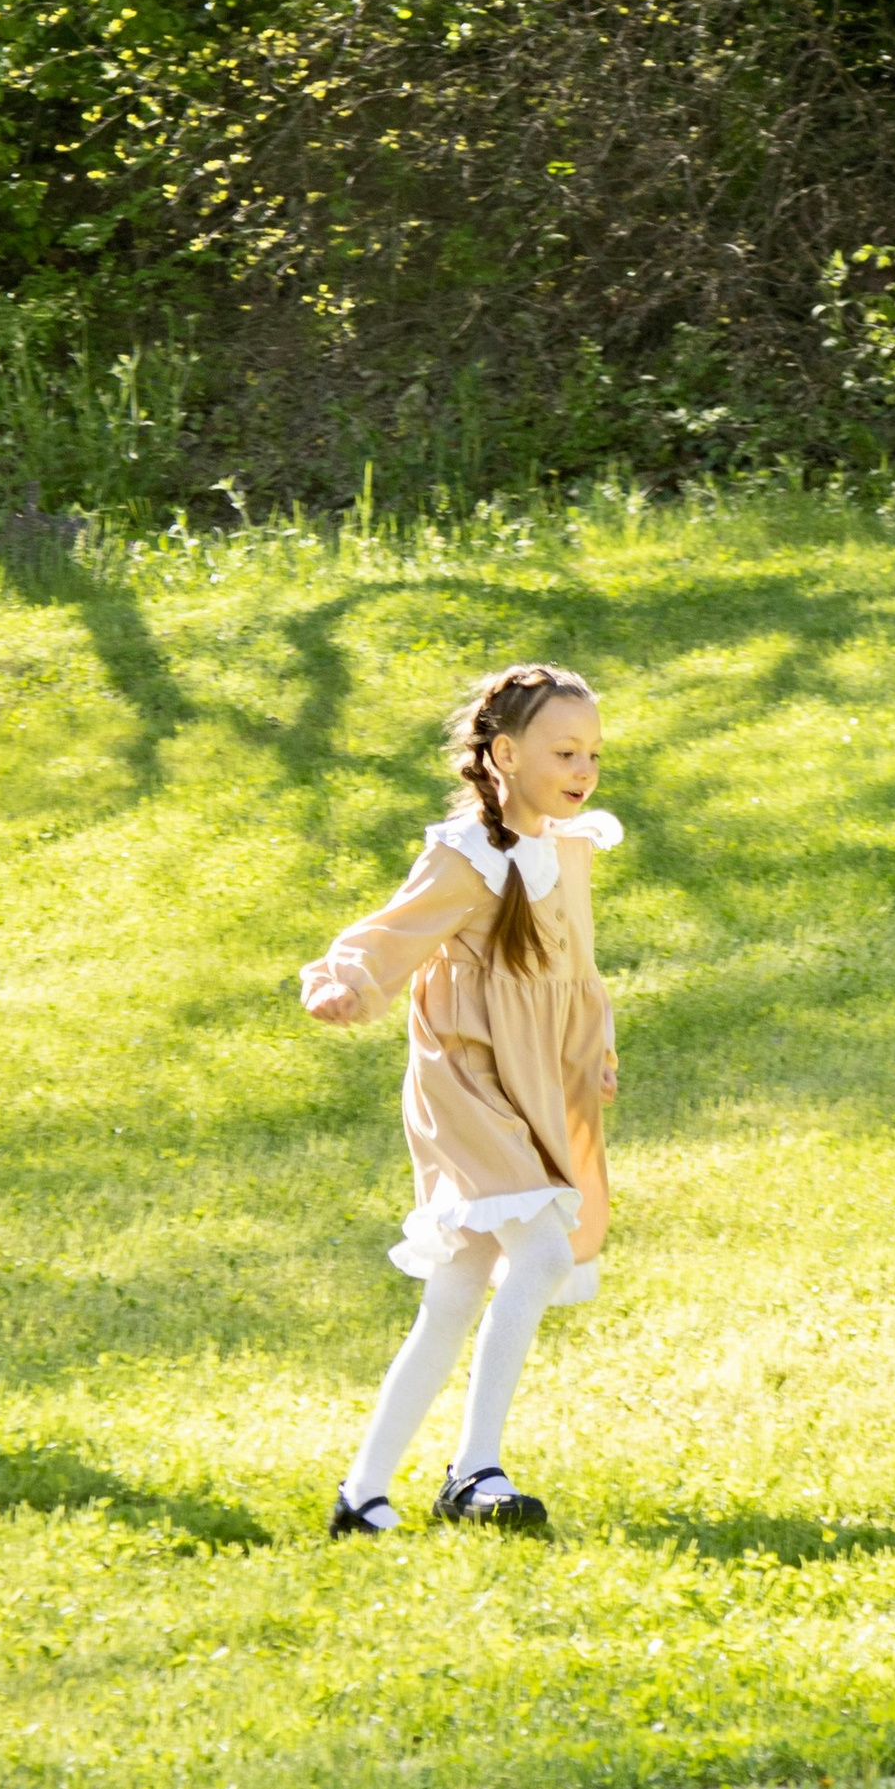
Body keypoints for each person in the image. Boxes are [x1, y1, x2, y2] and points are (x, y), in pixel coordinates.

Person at [299, 660, 619, 1541]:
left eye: (593, 753)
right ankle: (476, 1469)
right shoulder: (465, 855)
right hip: (467, 1083)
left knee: (458, 1289)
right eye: (564, 751)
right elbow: (386, 936)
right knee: (542, 1254)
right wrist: (345, 985)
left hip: (532, 1082)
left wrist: (594, 1051)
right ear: (506, 755)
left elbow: (577, 969)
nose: (584, 769)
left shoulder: (569, 848)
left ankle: (362, 1494)